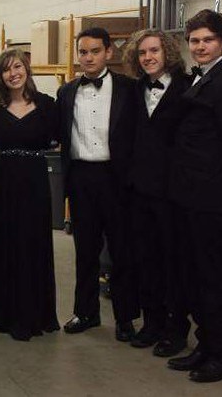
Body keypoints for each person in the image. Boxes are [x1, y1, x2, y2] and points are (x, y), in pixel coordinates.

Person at [166, 9, 222, 383]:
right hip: (192, 197)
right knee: (197, 275)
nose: (200, 46)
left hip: (213, 200)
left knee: (217, 278)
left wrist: (211, 173)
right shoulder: (203, 77)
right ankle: (206, 344)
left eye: (208, 40)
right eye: (195, 41)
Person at [56, 27, 140, 341]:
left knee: (121, 250)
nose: (88, 58)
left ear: (109, 52)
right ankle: (86, 313)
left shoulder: (129, 89)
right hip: (81, 178)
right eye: (83, 52)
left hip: (116, 178)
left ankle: (125, 318)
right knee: (85, 250)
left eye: (94, 51)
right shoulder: (66, 92)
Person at [0, 48, 60, 340]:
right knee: (1, 241)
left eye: (17, 67)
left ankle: (31, 313)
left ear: (27, 69)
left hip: (34, 183)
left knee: (31, 242)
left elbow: (59, 137)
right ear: (0, 75)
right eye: (6, 69)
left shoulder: (47, 104)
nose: (13, 74)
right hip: (0, 183)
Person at [121, 29, 191, 355]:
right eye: (142, 52)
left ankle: (176, 329)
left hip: (174, 193)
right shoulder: (135, 90)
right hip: (139, 191)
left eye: (154, 51)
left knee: (174, 262)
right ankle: (152, 323)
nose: (148, 57)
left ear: (168, 53)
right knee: (145, 259)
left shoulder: (187, 87)